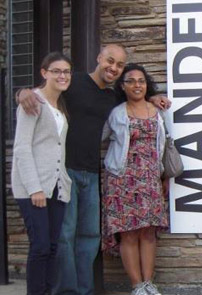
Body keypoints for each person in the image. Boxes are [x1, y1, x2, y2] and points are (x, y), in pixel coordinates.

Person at [16, 44, 170, 295]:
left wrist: (152, 97)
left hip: (92, 173)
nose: (114, 68)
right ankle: (66, 291)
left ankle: (84, 290)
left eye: (119, 65)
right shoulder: (72, 81)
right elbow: (43, 91)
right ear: (99, 58)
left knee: (89, 237)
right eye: (110, 61)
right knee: (65, 237)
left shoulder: (112, 98)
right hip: (65, 171)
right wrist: (22, 92)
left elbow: (135, 100)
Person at [101, 63, 167, 295]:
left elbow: (163, 145)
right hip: (122, 179)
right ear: (122, 85)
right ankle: (137, 286)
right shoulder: (117, 112)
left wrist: (163, 177)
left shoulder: (156, 110)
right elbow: (100, 137)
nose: (137, 85)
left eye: (141, 81)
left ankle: (149, 283)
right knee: (128, 232)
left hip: (150, 179)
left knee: (148, 232)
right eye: (131, 81)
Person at [11, 52, 73, 295]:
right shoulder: (32, 101)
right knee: (40, 247)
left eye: (66, 71)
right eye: (56, 70)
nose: (62, 75)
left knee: (52, 247)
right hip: (33, 188)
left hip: (56, 187)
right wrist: (34, 187)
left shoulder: (60, 104)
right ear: (44, 73)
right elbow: (22, 147)